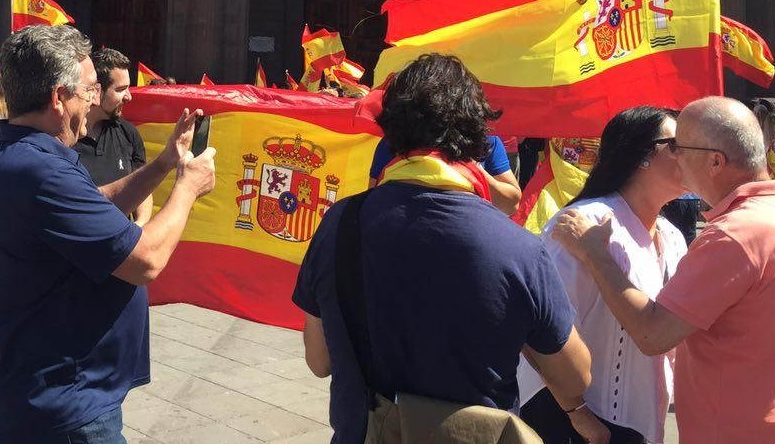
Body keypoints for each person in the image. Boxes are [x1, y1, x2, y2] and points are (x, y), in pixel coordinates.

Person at [294, 53, 594, 444]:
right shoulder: (517, 249)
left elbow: (318, 360)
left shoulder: (339, 224)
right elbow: (576, 378)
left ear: (391, 132)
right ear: (476, 135)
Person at [0, 25, 216, 444]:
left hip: (35, 394)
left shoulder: (19, 153)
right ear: (58, 97)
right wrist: (187, 188)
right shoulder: (41, 170)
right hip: (62, 407)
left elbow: (95, 206)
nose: (93, 100)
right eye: (88, 90)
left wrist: (163, 164)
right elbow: (145, 261)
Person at [553, 96, 775, 444]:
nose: (676, 156)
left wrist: (596, 254)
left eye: (680, 147)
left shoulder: (735, 235)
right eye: (671, 146)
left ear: (715, 162)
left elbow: (653, 334)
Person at [516, 106, 687, 444]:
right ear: (642, 156)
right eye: (676, 145)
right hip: (576, 423)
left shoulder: (672, 236)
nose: (689, 154)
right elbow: (539, 330)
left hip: (639, 420)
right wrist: (580, 415)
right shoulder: (584, 223)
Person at [367, 126, 522, 214]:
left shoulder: (485, 140)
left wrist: (472, 168)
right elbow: (374, 199)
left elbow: (511, 205)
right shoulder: (393, 141)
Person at [76, 48, 152, 224]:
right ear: (97, 91)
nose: (129, 97)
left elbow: (142, 184)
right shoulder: (65, 137)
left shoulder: (128, 133)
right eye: (121, 89)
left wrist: (140, 224)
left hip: (123, 239)